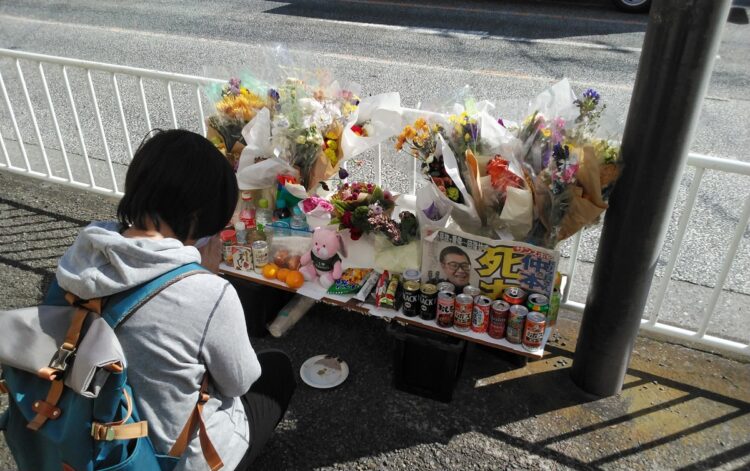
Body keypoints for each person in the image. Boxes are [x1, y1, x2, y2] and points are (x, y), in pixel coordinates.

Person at [54, 129, 295, 470]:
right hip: (171, 458)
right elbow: (239, 382)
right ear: (198, 216)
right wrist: (207, 276)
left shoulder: (80, 258)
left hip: (84, 436)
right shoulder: (208, 292)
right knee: (276, 370)